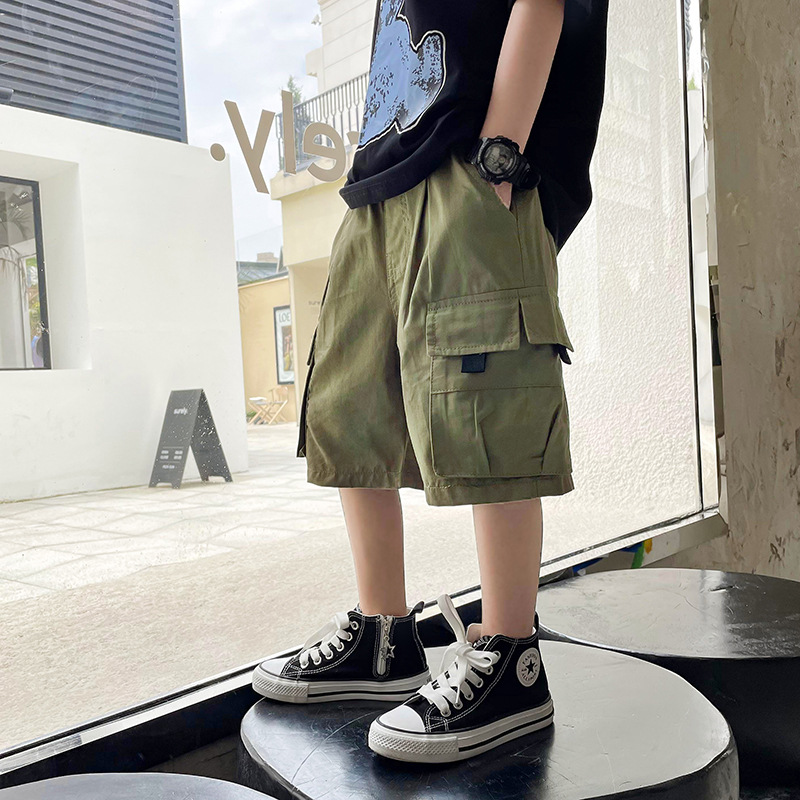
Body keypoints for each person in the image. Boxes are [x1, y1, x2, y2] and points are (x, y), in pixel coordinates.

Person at [253, 0, 608, 764]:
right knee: (349, 405)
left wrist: (498, 157)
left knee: (487, 398)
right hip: (381, 176)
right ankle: (384, 638)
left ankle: (511, 657)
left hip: (471, 163)